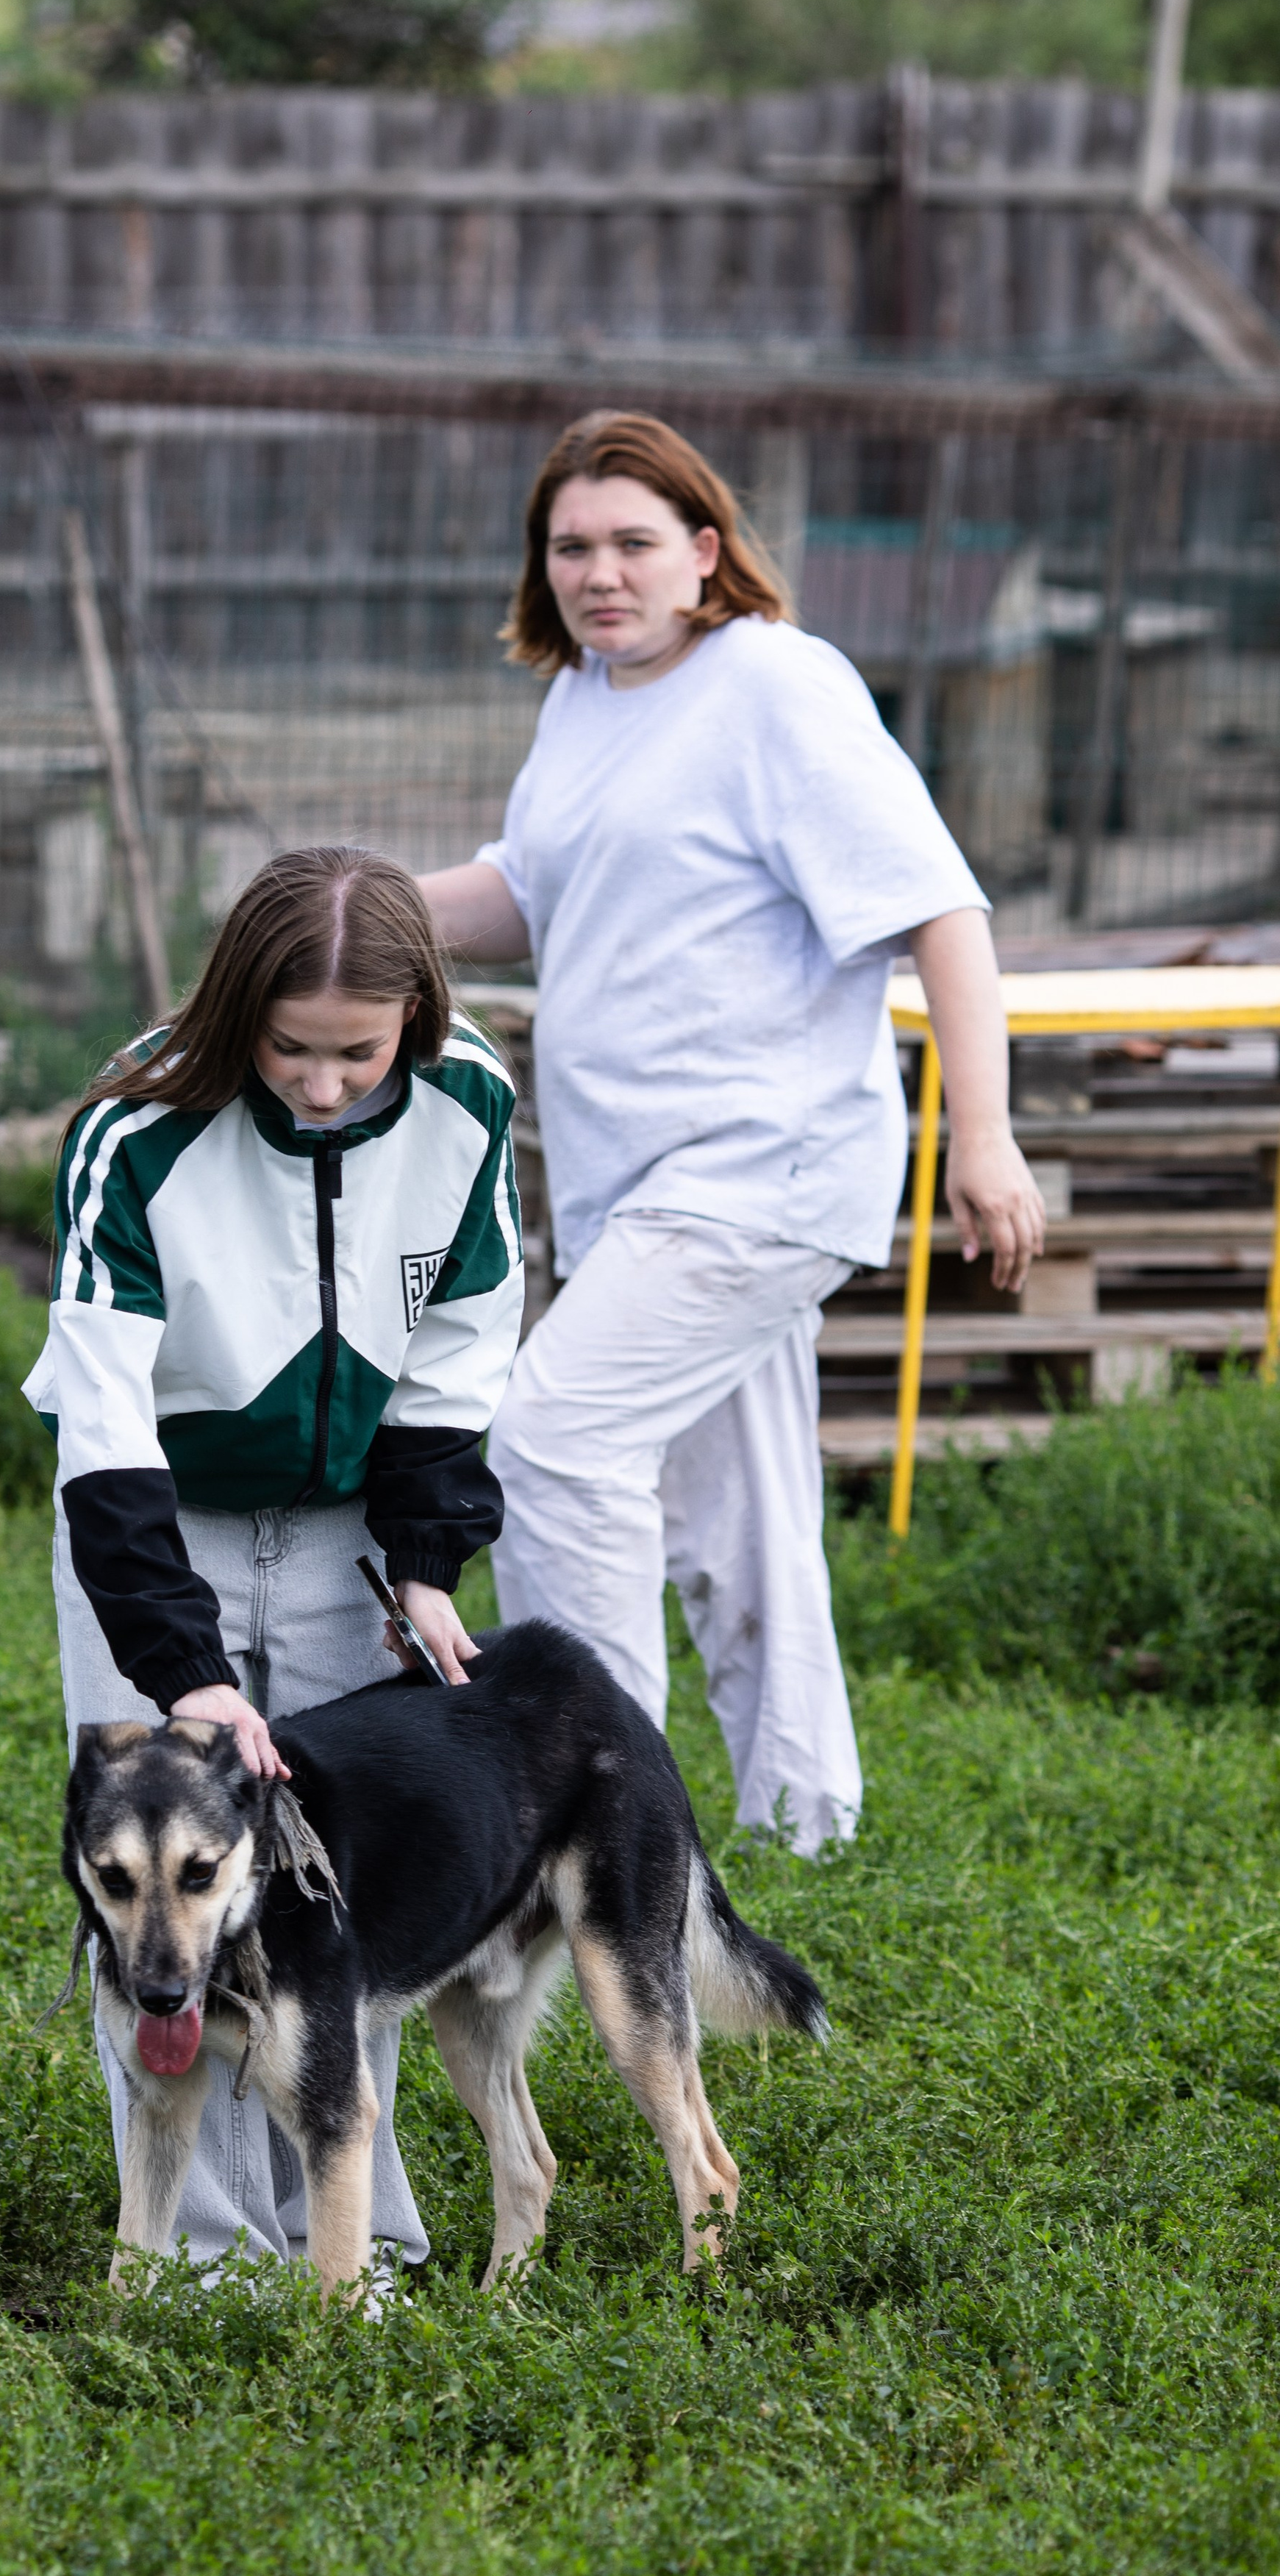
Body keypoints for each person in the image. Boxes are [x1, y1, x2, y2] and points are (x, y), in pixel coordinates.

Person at [419, 411, 1046, 1855]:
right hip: (629, 1180)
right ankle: (804, 1823)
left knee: (550, 1441)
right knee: (745, 1515)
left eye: (632, 543)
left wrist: (984, 1142)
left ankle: (589, 1817)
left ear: (704, 552)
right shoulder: (583, 697)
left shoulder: (775, 685)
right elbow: (530, 889)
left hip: (758, 1168)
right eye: (569, 547)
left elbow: (936, 908)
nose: (599, 574)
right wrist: (345, 898)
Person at [26, 844, 526, 2277]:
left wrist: (425, 1565)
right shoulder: (135, 1132)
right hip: (153, 1524)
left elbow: (456, 1350)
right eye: (287, 1049)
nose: (319, 1084)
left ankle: (344, 2231)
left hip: (348, 1541)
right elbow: (103, 1424)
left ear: (415, 1021)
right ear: (232, 1009)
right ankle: (191, 2255)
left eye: (355, 1054)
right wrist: (181, 1671)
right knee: (158, 1879)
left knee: (321, 1887)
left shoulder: (468, 1105)